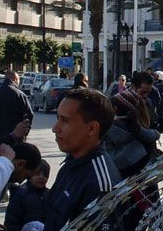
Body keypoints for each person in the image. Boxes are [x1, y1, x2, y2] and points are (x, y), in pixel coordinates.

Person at [44, 88, 122, 231]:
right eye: (57, 118)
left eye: (65, 121)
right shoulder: (72, 163)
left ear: (92, 128)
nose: (55, 128)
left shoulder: (100, 185)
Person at [5, 160, 50, 231]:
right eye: (37, 174)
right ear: (30, 174)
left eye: (45, 175)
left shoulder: (50, 195)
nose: (41, 177)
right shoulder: (20, 194)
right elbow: (11, 223)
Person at [0, 70, 34, 143]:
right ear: (15, 79)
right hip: (17, 136)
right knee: (17, 153)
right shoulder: (20, 94)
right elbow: (29, 114)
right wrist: (25, 131)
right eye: (19, 80)